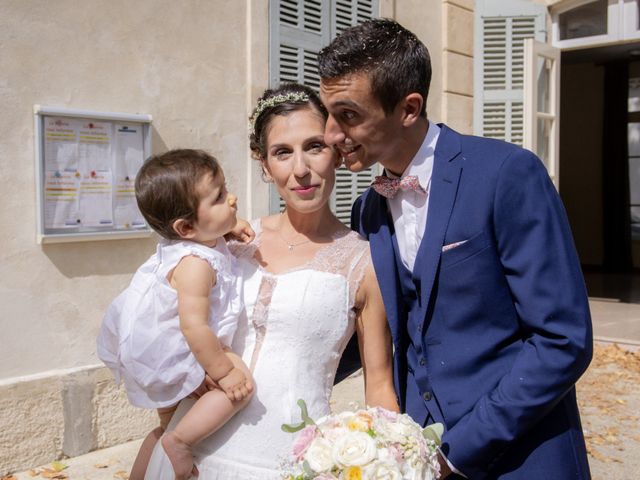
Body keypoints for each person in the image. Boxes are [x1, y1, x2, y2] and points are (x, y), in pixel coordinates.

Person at [318, 18, 593, 480]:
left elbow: (562, 340)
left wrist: (457, 451)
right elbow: (378, 327)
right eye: (328, 113)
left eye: (348, 115)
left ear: (408, 108)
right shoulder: (368, 207)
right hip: (417, 454)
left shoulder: (506, 173)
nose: (330, 134)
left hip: (526, 457)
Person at [144, 83, 399, 479]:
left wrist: (393, 457)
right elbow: (156, 319)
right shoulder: (225, 242)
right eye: (283, 152)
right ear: (264, 166)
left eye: (314, 146)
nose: (300, 169)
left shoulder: (364, 262)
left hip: (291, 460)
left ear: (335, 151)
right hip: (190, 450)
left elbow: (379, 384)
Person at [97, 149, 254, 480]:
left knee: (166, 424)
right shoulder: (196, 266)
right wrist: (223, 372)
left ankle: (145, 470)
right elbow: (194, 326)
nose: (233, 199)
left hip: (155, 351)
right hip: (180, 349)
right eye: (220, 197)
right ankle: (182, 444)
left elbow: (208, 236)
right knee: (241, 389)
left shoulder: (193, 242)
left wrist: (230, 226)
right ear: (185, 227)